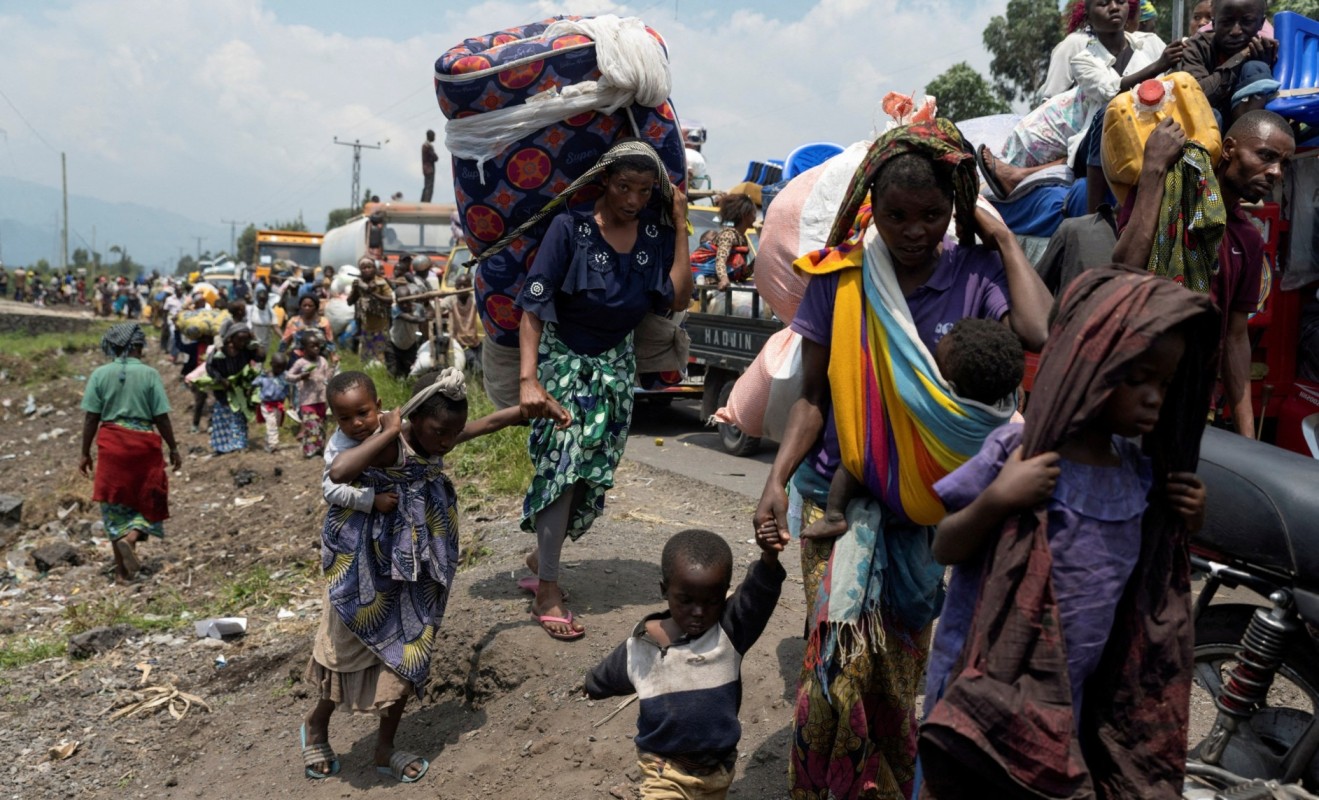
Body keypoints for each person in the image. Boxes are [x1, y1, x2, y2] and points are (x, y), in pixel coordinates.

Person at [751, 119, 1051, 800]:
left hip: (929, 504)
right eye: (896, 215)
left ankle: (883, 786)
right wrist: (774, 480)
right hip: (835, 490)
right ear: (871, 210)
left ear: (952, 209)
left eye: (931, 214)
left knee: (899, 667)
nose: (914, 230)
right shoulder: (841, 276)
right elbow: (814, 396)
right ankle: (824, 784)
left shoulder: (977, 273)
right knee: (838, 658)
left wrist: (1000, 235)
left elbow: (1037, 331)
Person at [918, 267, 1218, 797]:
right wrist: (999, 499)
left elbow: (1152, 569)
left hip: (1069, 688)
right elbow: (946, 543)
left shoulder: (1140, 476)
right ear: (1091, 367)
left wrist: (1188, 517)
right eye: (1137, 378)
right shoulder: (1017, 455)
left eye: (1165, 384)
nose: (1154, 398)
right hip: (987, 678)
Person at [300, 368, 521, 782]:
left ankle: (385, 749)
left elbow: (485, 424)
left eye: (452, 433)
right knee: (345, 651)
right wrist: (388, 431)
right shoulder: (381, 444)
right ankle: (317, 724)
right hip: (363, 566)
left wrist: (525, 411)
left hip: (416, 566)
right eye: (440, 432)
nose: (447, 442)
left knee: (409, 651)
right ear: (414, 420)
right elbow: (338, 473)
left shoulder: (436, 437)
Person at [515, 140, 693, 641]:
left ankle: (541, 555)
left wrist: (680, 225)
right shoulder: (569, 229)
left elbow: (678, 295)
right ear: (603, 183)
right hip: (564, 360)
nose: (632, 199)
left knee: (591, 473)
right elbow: (532, 306)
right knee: (564, 462)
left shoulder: (656, 235)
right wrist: (529, 380)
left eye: (643, 190)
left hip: (616, 365)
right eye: (622, 187)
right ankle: (547, 588)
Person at [1113, 110, 1296, 438]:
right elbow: (1123, 269)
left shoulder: (1248, 238)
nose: (1276, 173)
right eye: (1266, 156)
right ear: (1228, 149)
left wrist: (1247, 441)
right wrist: (1154, 167)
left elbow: (1236, 338)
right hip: (1131, 386)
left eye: (1283, 164)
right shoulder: (1169, 194)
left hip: (1191, 402)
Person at [585, 528, 787, 800]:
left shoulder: (728, 635)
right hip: (663, 769)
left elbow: (757, 597)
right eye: (686, 600)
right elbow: (605, 676)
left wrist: (769, 558)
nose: (699, 612)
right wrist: (590, 685)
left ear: (724, 594)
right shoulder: (640, 648)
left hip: (717, 772)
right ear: (664, 590)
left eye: (711, 602)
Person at [804, 317, 1025, 541]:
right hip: (942, 503)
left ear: (953, 388)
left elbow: (902, 391)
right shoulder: (1005, 404)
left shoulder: (937, 405)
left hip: (909, 491)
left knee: (857, 455)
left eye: (935, 366)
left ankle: (833, 515)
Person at [979, 0, 1180, 202]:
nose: (1114, 7)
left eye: (1120, 1)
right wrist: (1157, 66)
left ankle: (1019, 175)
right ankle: (1092, 212)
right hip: (1092, 138)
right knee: (1106, 118)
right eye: (1103, 3)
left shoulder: (1150, 44)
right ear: (1088, 18)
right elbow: (1109, 91)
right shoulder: (1082, 59)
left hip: (1141, 130)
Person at [78, 324, 183, 582]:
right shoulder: (149, 374)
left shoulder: (99, 374)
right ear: (137, 346)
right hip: (143, 445)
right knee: (149, 498)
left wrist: (84, 453)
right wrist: (174, 446)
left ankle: (122, 574)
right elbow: (161, 416)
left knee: (114, 506)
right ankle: (133, 537)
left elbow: (92, 417)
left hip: (112, 445)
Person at [1182, 0, 1279, 125]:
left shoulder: (1268, 50)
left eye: (1247, 22)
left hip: (1252, 131)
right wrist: (1241, 57)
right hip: (1206, 131)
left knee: (1256, 68)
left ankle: (1245, 139)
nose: (1236, 31)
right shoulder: (1195, 47)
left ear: (1261, 23)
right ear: (1214, 22)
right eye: (1226, 22)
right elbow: (1196, 96)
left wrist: (1269, 65)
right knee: (1211, 113)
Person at [202, 327, 263, 455]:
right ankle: (222, 446)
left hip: (240, 388)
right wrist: (221, 380)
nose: (242, 343)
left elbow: (261, 358)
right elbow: (209, 366)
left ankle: (239, 444)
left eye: (245, 340)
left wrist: (255, 341)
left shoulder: (246, 350)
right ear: (231, 338)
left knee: (239, 416)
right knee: (222, 416)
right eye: (239, 340)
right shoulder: (221, 350)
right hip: (223, 389)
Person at [692, 193, 756, 290]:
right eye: (753, 213)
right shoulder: (728, 235)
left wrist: (758, 260)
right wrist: (724, 279)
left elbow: (742, 276)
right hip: (711, 286)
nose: (755, 217)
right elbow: (721, 259)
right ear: (745, 215)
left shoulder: (742, 240)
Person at [288, 333, 334, 457]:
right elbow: (288, 376)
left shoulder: (322, 361)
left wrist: (333, 366)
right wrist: (300, 376)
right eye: (312, 346)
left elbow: (327, 377)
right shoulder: (300, 363)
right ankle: (309, 451)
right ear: (304, 348)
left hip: (321, 399)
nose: (316, 349)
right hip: (307, 401)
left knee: (321, 426)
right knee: (311, 426)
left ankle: (319, 450)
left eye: (318, 346)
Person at [347, 256, 394, 364]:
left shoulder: (381, 282)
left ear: (374, 268)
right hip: (366, 327)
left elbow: (391, 299)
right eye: (364, 268)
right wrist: (356, 290)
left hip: (382, 326)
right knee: (365, 359)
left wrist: (372, 293)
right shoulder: (358, 283)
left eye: (369, 267)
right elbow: (350, 302)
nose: (367, 270)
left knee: (381, 357)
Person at [440, 274, 482, 370]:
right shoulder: (451, 299)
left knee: (483, 366)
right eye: (460, 285)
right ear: (456, 287)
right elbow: (436, 311)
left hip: (474, 342)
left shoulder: (474, 298)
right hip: (459, 343)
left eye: (465, 285)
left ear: (470, 286)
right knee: (477, 367)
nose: (462, 288)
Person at [254, 352, 291, 453]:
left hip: (279, 404)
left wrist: (290, 401)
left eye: (283, 368)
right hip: (267, 405)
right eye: (278, 367)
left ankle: (268, 442)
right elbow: (254, 384)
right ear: (271, 364)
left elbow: (287, 389)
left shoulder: (284, 376)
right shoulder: (264, 376)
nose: (280, 370)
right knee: (272, 423)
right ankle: (273, 444)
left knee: (275, 424)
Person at [386, 285, 426, 379]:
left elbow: (423, 324)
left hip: (411, 344)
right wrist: (425, 318)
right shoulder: (395, 308)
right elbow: (410, 319)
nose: (404, 305)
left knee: (409, 371)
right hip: (394, 344)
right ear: (397, 301)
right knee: (393, 373)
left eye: (407, 302)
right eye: (401, 303)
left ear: (411, 298)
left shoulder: (418, 308)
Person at [282, 295, 336, 361]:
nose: (307, 308)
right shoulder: (294, 321)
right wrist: (280, 355)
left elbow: (330, 342)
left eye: (310, 306)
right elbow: (285, 341)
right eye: (304, 305)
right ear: (300, 307)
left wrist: (333, 357)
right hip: (297, 357)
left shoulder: (323, 322)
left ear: (316, 307)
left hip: (319, 358)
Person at [249, 287, 284, 353]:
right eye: (260, 300)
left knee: (261, 362)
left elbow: (275, 327)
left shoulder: (270, 312)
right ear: (257, 299)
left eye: (264, 300)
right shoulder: (252, 310)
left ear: (267, 300)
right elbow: (248, 326)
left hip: (265, 344)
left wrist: (283, 338)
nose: (262, 302)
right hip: (253, 342)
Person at [421, 129, 439, 203]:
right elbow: (435, 157)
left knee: (426, 186)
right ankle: (426, 202)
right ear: (430, 136)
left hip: (426, 168)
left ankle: (423, 201)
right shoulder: (428, 146)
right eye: (433, 136)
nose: (434, 138)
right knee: (429, 186)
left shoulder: (425, 145)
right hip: (429, 169)